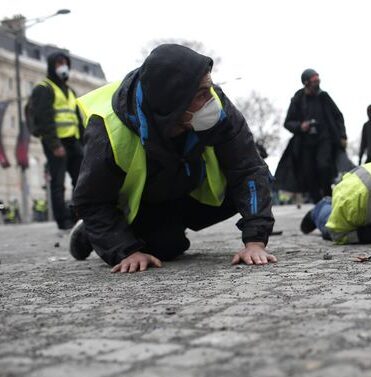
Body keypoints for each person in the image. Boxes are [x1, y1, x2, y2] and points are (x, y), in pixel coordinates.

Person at [69, 44, 276, 273]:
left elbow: (248, 168)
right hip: (143, 202)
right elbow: (91, 200)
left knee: (260, 179)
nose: (212, 100)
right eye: (201, 94)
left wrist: (255, 241)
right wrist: (125, 251)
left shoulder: (216, 106)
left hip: (186, 188)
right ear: (173, 105)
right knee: (165, 248)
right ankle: (94, 232)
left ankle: (156, 230)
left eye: (209, 88)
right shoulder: (108, 130)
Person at [29, 52, 84, 231]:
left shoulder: (70, 91)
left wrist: (85, 142)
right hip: (56, 142)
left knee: (82, 179)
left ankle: (79, 215)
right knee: (58, 183)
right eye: (59, 63)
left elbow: (77, 118)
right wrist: (54, 144)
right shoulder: (43, 88)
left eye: (65, 63)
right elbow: (44, 118)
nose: (63, 66)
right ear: (52, 65)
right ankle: (63, 221)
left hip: (73, 141)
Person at [275, 69, 347, 203]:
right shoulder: (298, 99)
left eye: (318, 79)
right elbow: (288, 122)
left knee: (323, 166)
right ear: (306, 83)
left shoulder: (324, 97)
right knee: (308, 174)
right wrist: (300, 126)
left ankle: (328, 197)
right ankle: (318, 203)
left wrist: (342, 136)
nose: (317, 82)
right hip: (305, 143)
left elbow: (338, 116)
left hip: (324, 139)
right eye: (314, 80)